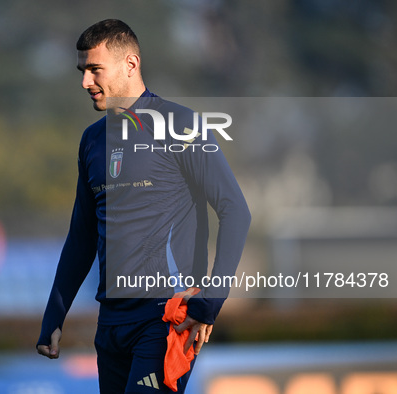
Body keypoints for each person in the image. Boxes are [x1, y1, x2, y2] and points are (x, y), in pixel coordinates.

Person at [37, 19, 251, 393]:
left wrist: (210, 301)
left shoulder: (181, 125)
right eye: (82, 71)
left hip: (165, 319)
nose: (85, 82)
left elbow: (235, 210)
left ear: (130, 65)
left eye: (94, 70)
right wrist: (55, 315)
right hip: (110, 325)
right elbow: (81, 237)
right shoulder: (91, 141)